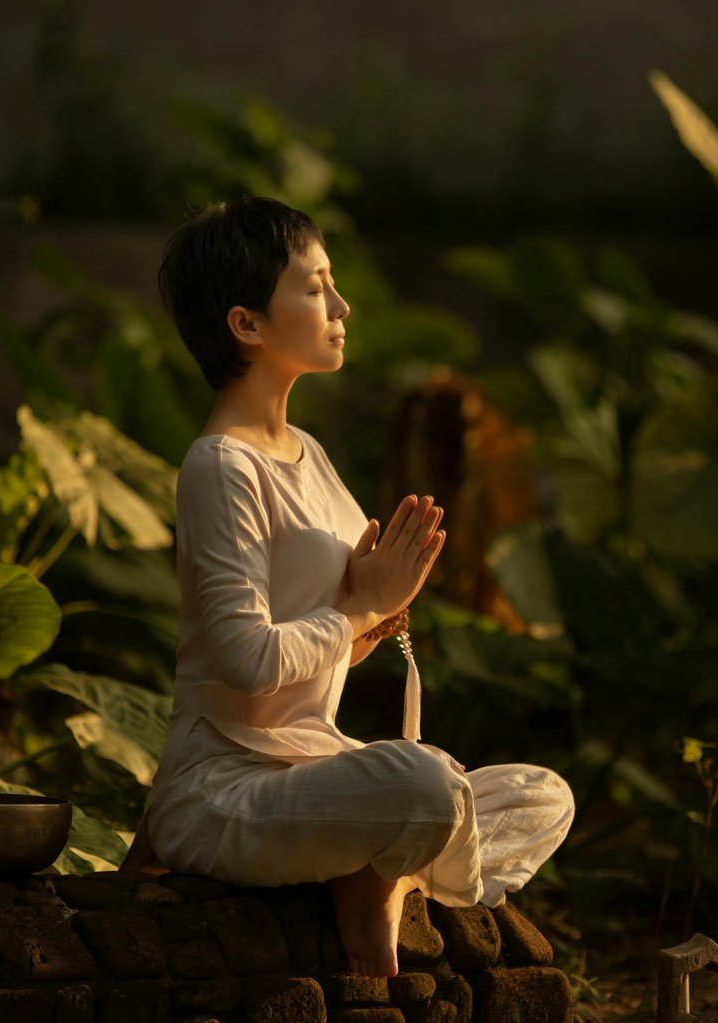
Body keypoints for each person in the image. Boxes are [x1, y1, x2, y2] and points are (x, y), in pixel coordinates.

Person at [117, 196, 575, 978]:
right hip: (227, 787)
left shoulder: (309, 451)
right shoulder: (221, 465)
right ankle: (380, 870)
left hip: (314, 770)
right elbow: (249, 663)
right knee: (427, 787)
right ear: (247, 324)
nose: (341, 305)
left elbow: (330, 647)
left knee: (543, 795)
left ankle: (379, 866)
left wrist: (375, 609)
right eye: (314, 286)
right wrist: (361, 605)